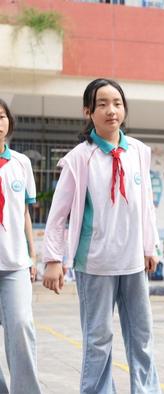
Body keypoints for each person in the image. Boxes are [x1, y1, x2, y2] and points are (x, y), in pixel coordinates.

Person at [42, 78, 161, 393]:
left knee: (142, 337)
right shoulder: (80, 158)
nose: (112, 111)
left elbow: (145, 204)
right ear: (88, 111)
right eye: (103, 104)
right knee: (98, 341)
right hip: (95, 264)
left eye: (118, 103)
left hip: (134, 262)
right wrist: (53, 259)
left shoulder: (138, 152)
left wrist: (150, 246)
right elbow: (58, 215)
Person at [0, 98, 41, 393]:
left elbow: (25, 212)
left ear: (9, 122)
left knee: (21, 327)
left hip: (15, 264)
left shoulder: (21, 163)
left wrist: (33, 253)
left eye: (1, 116)